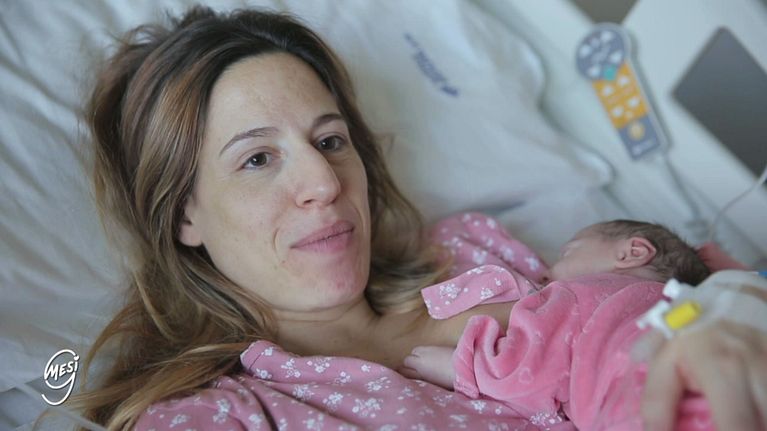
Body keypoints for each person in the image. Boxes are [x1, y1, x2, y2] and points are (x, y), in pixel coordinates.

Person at [72, 6, 766, 430]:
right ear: (183, 214)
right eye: (257, 159)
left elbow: (653, 293)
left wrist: (735, 307)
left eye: (330, 140)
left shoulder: (471, 254)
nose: (324, 182)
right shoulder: (225, 416)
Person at [400, 220, 713, 429]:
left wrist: (463, 367)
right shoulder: (689, 304)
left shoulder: (586, 294)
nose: (545, 273)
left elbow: (530, 366)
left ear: (632, 252)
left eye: (567, 253)